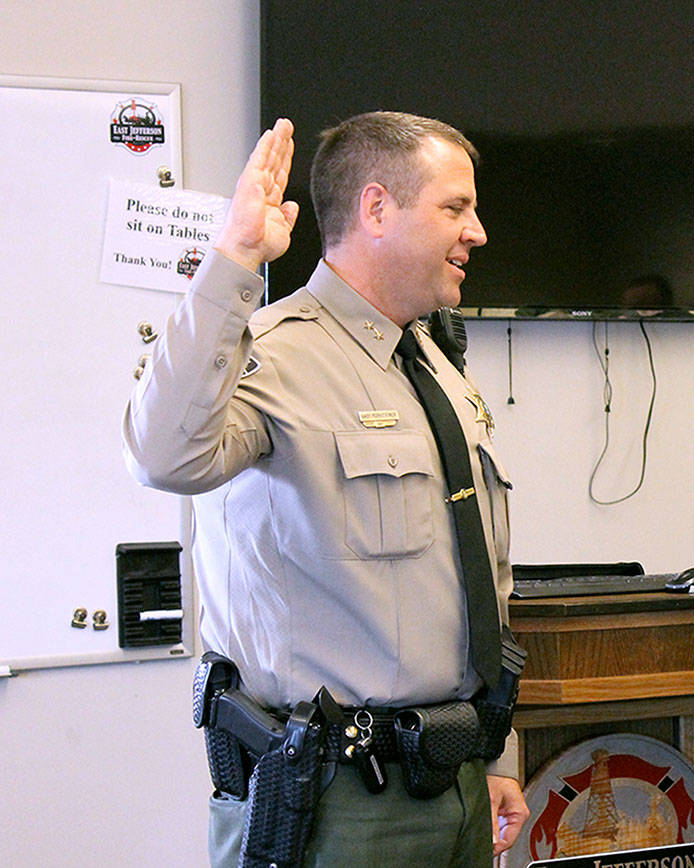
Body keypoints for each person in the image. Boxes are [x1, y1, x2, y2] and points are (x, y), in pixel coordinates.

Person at [124, 112, 528, 866]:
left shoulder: (438, 367)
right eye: (455, 207)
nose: (477, 231)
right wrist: (236, 257)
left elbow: (483, 577)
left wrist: (497, 756)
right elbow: (162, 456)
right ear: (377, 209)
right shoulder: (276, 356)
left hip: (460, 779)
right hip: (337, 802)